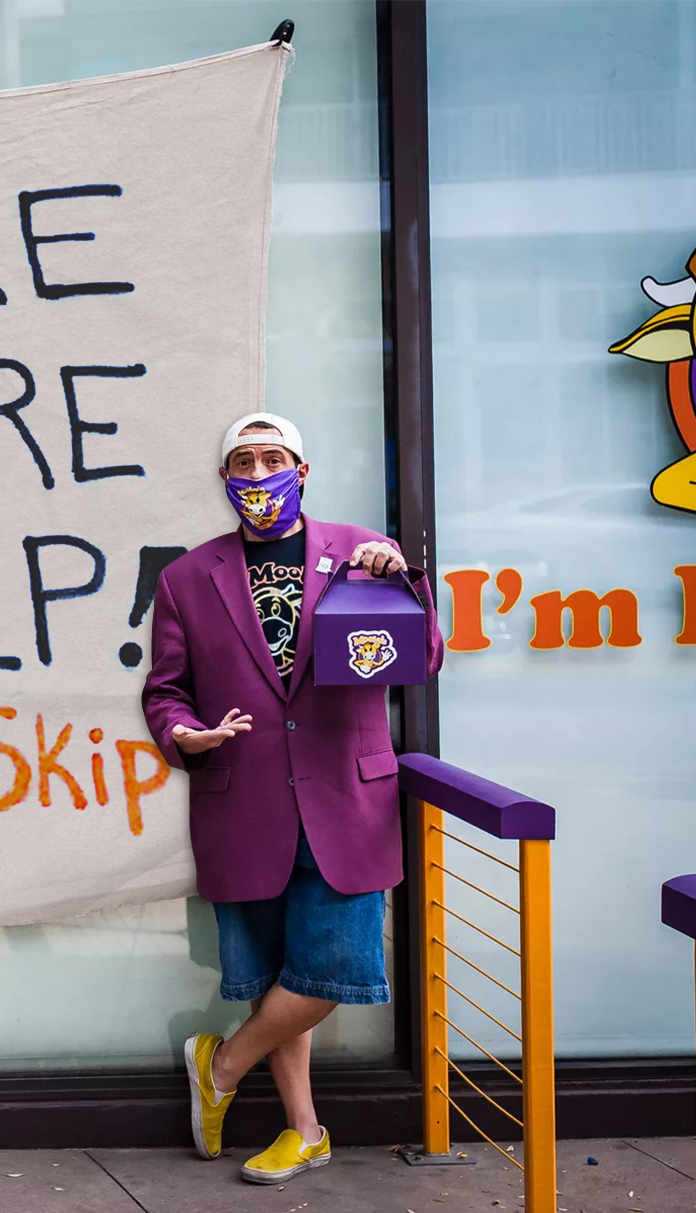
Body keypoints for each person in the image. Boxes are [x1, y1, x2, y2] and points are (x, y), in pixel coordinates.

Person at [141, 412, 443, 1185]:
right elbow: (165, 691)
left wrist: (400, 581)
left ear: (301, 471)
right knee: (278, 969)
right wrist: (187, 734)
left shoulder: (361, 552)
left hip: (348, 798)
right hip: (244, 802)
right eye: (242, 462)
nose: (257, 474)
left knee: (333, 964)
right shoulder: (187, 578)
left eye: (272, 459)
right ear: (225, 478)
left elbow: (425, 657)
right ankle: (304, 1129)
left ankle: (221, 1065)